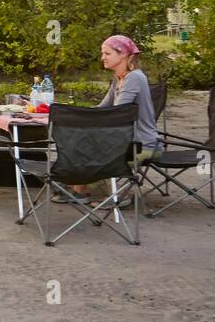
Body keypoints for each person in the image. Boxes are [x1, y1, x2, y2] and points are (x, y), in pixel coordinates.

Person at [63, 34, 160, 204]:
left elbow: (116, 113)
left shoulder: (134, 78)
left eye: (107, 54)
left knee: (85, 143)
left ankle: (117, 196)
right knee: (77, 140)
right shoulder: (119, 78)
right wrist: (75, 113)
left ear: (122, 54)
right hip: (127, 139)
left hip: (143, 146)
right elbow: (102, 108)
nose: (102, 58)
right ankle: (80, 189)